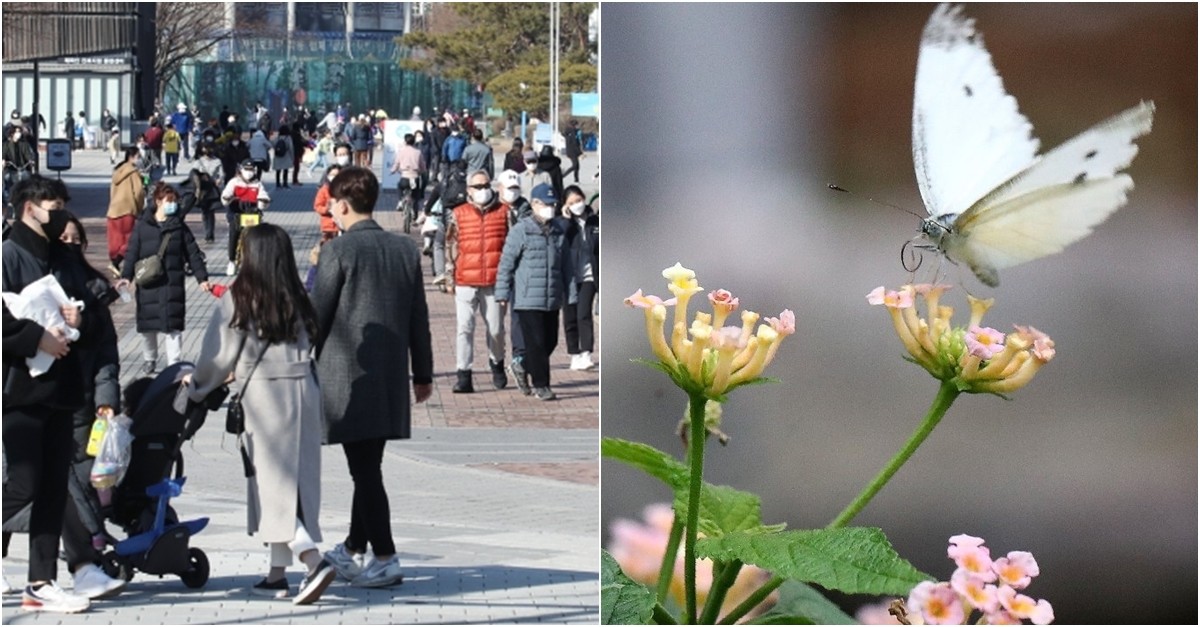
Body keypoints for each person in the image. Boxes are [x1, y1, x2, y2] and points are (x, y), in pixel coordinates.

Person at [184, 223, 337, 605]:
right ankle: (276, 574)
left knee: (271, 486)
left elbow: (218, 356)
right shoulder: (299, 294)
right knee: (296, 483)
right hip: (305, 390)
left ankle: (312, 560)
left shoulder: (240, 296)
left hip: (267, 395)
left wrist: (196, 385)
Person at [311, 166, 433, 588]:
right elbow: (420, 315)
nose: (329, 209)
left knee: (365, 471)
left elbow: (316, 318)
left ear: (343, 205)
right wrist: (425, 372)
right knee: (367, 465)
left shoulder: (337, 252)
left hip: (347, 378)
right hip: (391, 377)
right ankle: (351, 549)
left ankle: (384, 555)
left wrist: (297, 361)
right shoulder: (403, 249)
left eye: (330, 203)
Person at [2, 175, 93, 613]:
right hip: (20, 388)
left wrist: (79, 315)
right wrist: (37, 337)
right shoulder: (6, 255)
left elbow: (90, 305)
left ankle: (41, 582)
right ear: (29, 207)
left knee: (55, 487)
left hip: (63, 386)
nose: (59, 214)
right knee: (24, 482)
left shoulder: (62, 255)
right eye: (52, 206)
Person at [52, 215, 129, 600]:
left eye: (74, 238)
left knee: (81, 482)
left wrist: (106, 400)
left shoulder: (95, 289)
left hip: (83, 404)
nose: (68, 244)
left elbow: (106, 355)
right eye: (61, 237)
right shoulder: (30, 285)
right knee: (20, 487)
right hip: (34, 403)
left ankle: (86, 564)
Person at [117, 182, 212, 374]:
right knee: (148, 327)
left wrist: (202, 278)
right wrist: (126, 277)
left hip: (172, 283)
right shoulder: (143, 227)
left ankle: (174, 364)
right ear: (158, 201)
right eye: (170, 201)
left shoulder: (179, 227)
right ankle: (149, 358)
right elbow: (132, 252)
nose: (174, 205)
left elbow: (193, 253)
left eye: (175, 201)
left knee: (173, 327)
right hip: (149, 284)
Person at [495, 183, 570, 401]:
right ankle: (541, 385)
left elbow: (566, 266)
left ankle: (521, 366)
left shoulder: (558, 231)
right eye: (545, 204)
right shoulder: (522, 230)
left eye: (553, 204)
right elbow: (506, 263)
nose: (550, 208)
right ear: (535, 204)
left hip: (552, 298)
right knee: (536, 343)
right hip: (527, 298)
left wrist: (570, 294)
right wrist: (502, 293)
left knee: (550, 342)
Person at [444, 169, 510, 393]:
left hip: (494, 281)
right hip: (466, 279)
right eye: (477, 186)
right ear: (468, 190)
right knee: (465, 328)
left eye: (485, 185)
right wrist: (449, 275)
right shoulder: (459, 213)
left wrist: (508, 280)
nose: (482, 190)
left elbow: (511, 247)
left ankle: (497, 364)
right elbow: (450, 245)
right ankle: (464, 375)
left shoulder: (504, 212)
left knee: (496, 329)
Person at [497, 170, 534, 395]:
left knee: (520, 320)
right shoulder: (494, 210)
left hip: (522, 276)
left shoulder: (528, 211)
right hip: (495, 273)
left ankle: (519, 360)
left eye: (515, 189)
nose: (512, 193)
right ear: (499, 188)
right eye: (508, 189)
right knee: (495, 326)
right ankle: (498, 364)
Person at [560, 185, 599, 371]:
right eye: (572, 203)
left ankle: (586, 352)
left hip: (589, 276)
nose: (577, 205)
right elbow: (560, 240)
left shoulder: (595, 220)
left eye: (578, 200)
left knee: (583, 313)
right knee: (570, 316)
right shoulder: (563, 223)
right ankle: (574, 353)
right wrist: (566, 220)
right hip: (569, 278)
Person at [221, 159, 272, 276]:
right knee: (234, 233)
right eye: (246, 170)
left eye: (251, 170)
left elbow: (263, 197)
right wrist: (227, 198)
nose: (249, 172)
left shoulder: (257, 184)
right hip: (236, 213)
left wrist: (263, 202)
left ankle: (255, 261)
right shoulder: (234, 182)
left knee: (256, 237)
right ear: (241, 170)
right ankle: (231, 261)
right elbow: (226, 195)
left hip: (251, 214)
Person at [106, 146, 146, 276]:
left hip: (113, 210)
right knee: (131, 239)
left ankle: (114, 265)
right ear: (132, 156)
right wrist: (139, 208)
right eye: (138, 156)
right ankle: (116, 263)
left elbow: (112, 191)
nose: (140, 159)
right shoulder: (134, 172)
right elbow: (139, 192)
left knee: (115, 240)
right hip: (128, 209)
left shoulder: (117, 171)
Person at [389, 133, 425, 215]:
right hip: (415, 177)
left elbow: (396, 164)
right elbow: (422, 165)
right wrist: (422, 171)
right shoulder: (418, 152)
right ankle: (415, 213)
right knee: (415, 197)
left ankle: (401, 201)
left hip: (404, 177)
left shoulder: (401, 152)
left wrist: (393, 170)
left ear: (405, 142)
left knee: (399, 186)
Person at [313, 164, 342, 244]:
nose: (334, 177)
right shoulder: (323, 190)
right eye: (332, 175)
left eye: (337, 175)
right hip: (328, 226)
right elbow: (317, 206)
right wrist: (327, 209)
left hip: (343, 225)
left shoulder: (345, 189)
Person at [562, 119, 584, 183]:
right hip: (573, 152)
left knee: (577, 166)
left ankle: (576, 180)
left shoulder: (568, 132)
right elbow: (574, 143)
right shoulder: (573, 132)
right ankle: (562, 175)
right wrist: (580, 152)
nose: (577, 126)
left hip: (570, 151)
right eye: (577, 125)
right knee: (575, 165)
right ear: (574, 125)